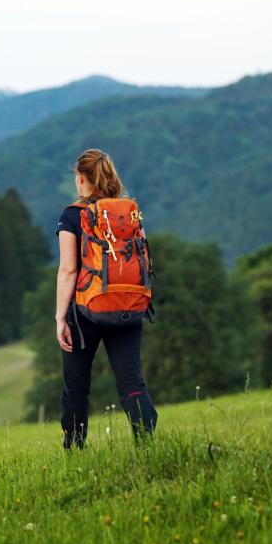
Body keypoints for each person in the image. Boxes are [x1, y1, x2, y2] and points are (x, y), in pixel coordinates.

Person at [55, 148, 159, 450]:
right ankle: (147, 443)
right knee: (131, 381)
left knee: (77, 385)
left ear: (81, 178)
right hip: (128, 303)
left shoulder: (72, 215)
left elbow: (68, 269)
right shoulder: (127, 211)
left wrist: (61, 317)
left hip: (84, 310)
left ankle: (74, 451)